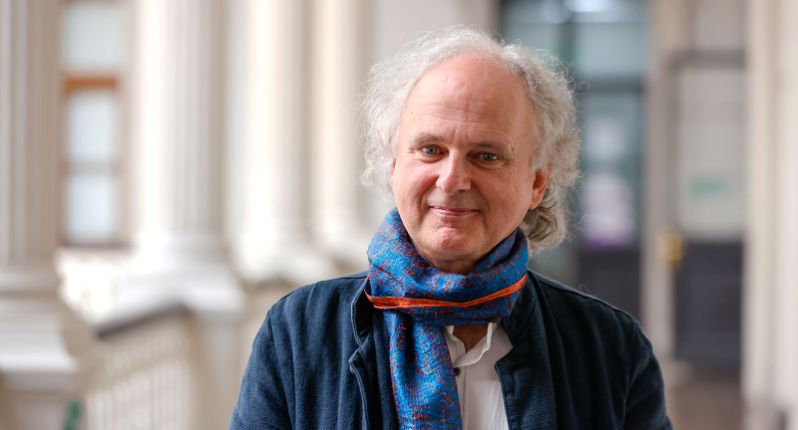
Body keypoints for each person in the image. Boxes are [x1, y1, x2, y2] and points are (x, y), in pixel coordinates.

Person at [230, 26, 671, 430]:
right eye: (430, 149)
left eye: (487, 156)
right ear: (393, 165)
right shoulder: (299, 334)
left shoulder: (611, 348)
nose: (453, 179)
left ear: (537, 182)